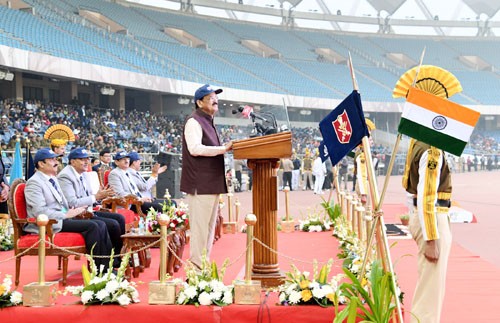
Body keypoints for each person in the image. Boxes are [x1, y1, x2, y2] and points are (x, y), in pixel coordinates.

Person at [24, 148, 113, 271]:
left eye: (56, 159)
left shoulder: (52, 179)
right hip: (51, 223)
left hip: (64, 217)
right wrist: (65, 214)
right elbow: (40, 212)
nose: (56, 162)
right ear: (41, 164)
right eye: (52, 159)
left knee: (101, 224)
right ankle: (99, 270)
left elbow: (64, 204)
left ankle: (107, 267)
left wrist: (75, 211)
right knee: (93, 226)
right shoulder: (34, 183)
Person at [180, 84, 232, 269]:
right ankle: (196, 270)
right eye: (210, 97)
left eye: (216, 97)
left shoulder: (208, 121)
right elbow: (194, 149)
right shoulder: (193, 121)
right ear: (199, 102)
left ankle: (204, 266)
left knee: (209, 230)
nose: (215, 100)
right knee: (200, 229)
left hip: (211, 184)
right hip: (200, 184)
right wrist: (223, 149)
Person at [402, 138, 452, 323]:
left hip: (426, 216)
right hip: (434, 219)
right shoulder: (432, 149)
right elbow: (426, 195)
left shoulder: (417, 142)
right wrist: (431, 238)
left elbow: (411, 190)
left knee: (428, 287)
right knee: (431, 291)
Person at [57, 147, 125, 267]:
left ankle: (118, 257)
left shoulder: (83, 174)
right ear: (72, 161)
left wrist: (99, 195)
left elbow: (89, 196)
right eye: (82, 159)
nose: (86, 162)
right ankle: (107, 263)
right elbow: (72, 202)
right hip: (76, 214)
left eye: (87, 159)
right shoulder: (65, 176)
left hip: (87, 210)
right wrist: (96, 196)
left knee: (119, 218)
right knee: (108, 224)